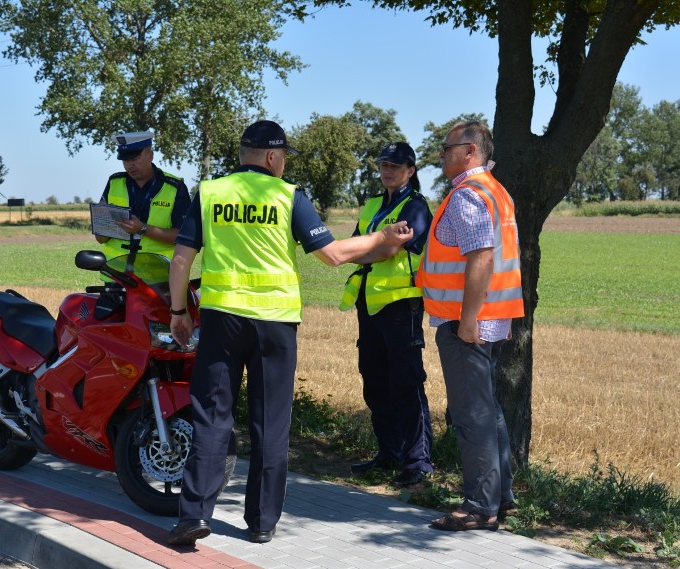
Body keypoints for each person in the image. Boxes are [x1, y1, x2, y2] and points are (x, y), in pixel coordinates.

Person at [166, 120, 415, 546]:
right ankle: (261, 522)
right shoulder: (288, 196)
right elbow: (333, 255)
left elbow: (180, 259)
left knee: (211, 418)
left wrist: (178, 312)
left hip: (222, 319)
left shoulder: (209, 193)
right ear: (272, 156)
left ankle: (192, 516)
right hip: (275, 325)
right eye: (283, 158)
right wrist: (383, 237)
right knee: (270, 422)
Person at [416, 121, 524, 532]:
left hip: (467, 323)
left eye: (447, 147)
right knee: (489, 410)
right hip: (491, 318)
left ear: (470, 151)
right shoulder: (496, 191)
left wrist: (468, 320)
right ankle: (501, 496)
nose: (441, 153)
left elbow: (481, 258)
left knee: (471, 413)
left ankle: (479, 507)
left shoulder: (467, 196)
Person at [341, 142, 434, 487]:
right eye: (383, 164)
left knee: (406, 382)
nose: (388, 170)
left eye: (396, 165)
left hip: (401, 305)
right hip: (369, 302)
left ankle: (418, 461)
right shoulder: (373, 205)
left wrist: (366, 249)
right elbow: (356, 249)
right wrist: (367, 249)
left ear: (410, 171)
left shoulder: (417, 206)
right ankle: (390, 453)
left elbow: (389, 249)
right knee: (374, 379)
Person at [94, 131, 190, 260]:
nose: (129, 165)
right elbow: (100, 238)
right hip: (116, 272)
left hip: (157, 272)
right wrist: (108, 224)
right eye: (125, 160)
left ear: (150, 155)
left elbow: (183, 237)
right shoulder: (114, 182)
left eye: (134, 159)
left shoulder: (174, 187)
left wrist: (142, 228)